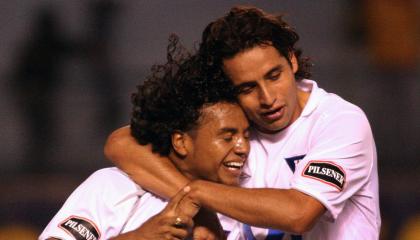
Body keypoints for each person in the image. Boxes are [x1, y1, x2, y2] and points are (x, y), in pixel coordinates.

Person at [105, 6, 381, 239]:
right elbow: (122, 143)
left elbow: (299, 214)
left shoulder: (339, 121)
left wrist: (198, 194)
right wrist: (203, 209)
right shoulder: (234, 130)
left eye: (274, 76)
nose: (268, 98)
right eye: (248, 88)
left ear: (292, 61)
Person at [39, 38, 251, 240]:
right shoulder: (114, 187)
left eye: (246, 135)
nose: (243, 147)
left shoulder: (251, 198)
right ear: (181, 142)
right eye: (227, 137)